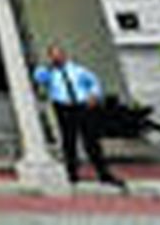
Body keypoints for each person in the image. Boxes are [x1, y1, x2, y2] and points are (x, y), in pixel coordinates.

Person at [33, 43, 126, 191]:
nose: (57, 57)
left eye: (59, 53)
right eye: (53, 54)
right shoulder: (49, 73)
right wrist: (49, 66)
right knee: (68, 141)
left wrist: (94, 95)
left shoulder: (77, 70)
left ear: (64, 54)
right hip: (63, 107)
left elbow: (93, 82)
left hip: (82, 106)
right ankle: (72, 174)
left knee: (91, 140)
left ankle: (103, 173)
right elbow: (38, 77)